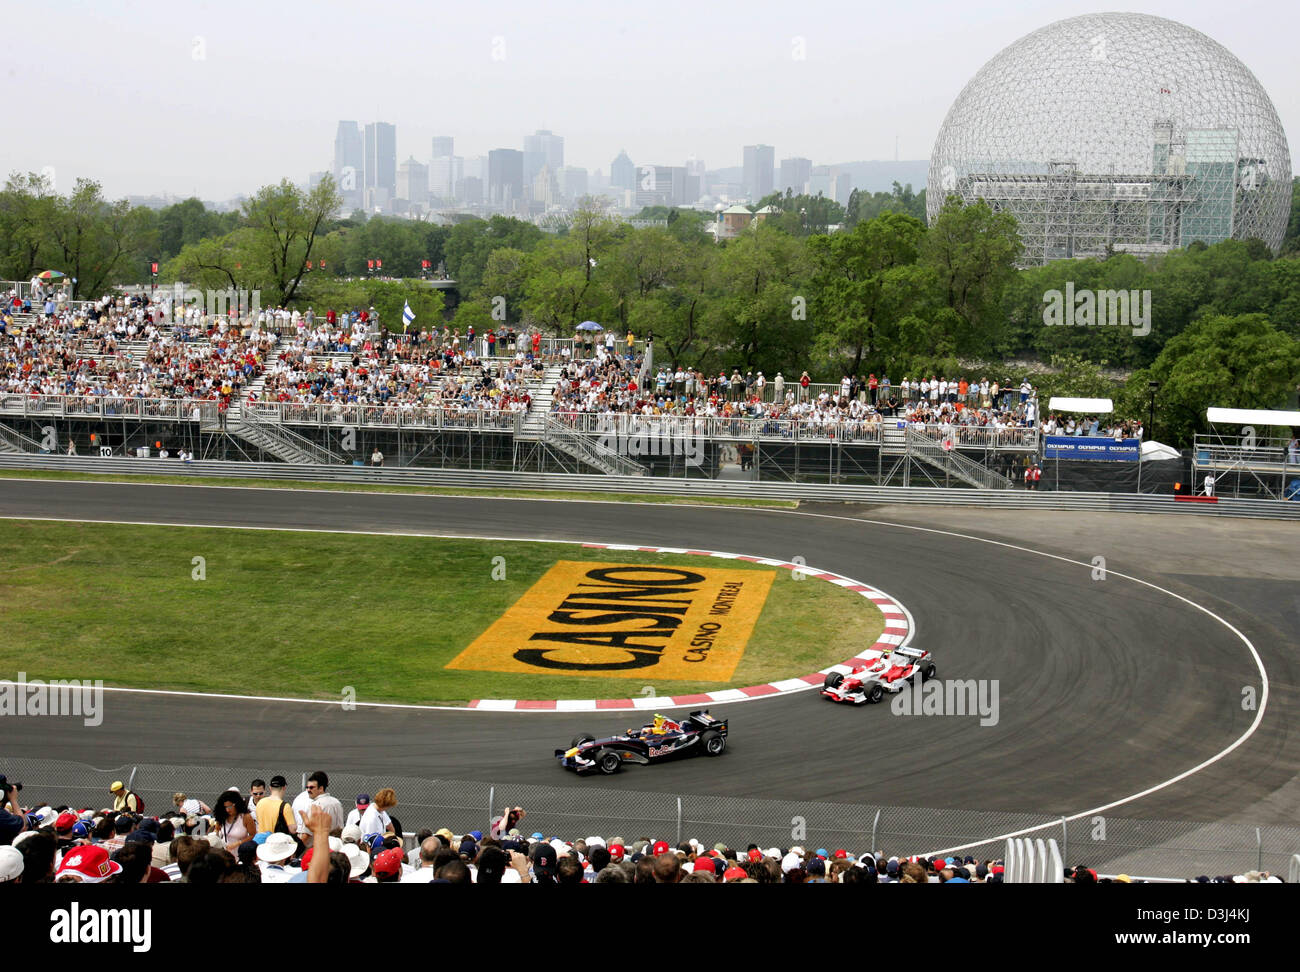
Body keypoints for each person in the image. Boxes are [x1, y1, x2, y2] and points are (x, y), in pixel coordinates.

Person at [213, 789, 256, 856]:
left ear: (236, 804)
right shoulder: (222, 817)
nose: (227, 810)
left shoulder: (246, 817)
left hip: (240, 853)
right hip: (225, 852)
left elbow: (252, 835)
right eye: (225, 807)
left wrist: (238, 843)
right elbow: (216, 829)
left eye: (230, 806)